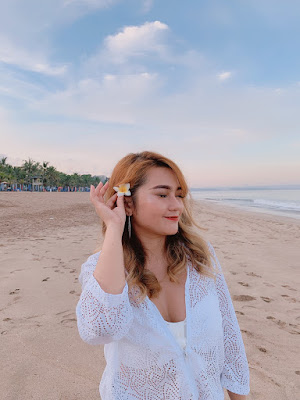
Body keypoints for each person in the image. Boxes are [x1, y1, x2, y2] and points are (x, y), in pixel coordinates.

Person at [76, 151, 250, 399]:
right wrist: (115, 228)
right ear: (127, 202)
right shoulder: (101, 268)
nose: (176, 205)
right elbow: (101, 330)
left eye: (179, 195)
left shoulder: (199, 258)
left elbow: (230, 335)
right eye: (162, 194)